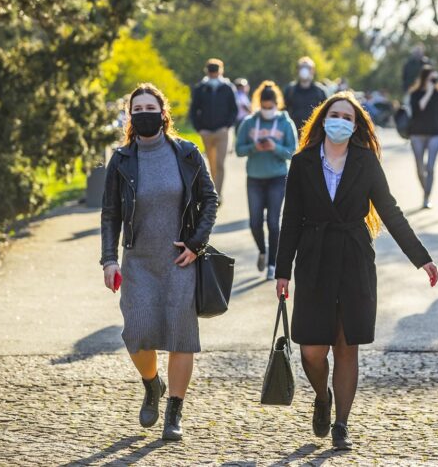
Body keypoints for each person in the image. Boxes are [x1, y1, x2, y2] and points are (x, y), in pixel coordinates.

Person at [274, 91, 438, 451]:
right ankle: (322, 395)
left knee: (347, 347)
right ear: (323, 119)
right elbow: (290, 220)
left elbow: (390, 211)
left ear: (356, 125)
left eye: (348, 117)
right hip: (314, 259)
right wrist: (282, 271)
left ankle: (341, 425)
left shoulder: (365, 161)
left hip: (354, 259)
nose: (341, 122)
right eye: (335, 115)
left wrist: (420, 257)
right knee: (312, 352)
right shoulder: (302, 163)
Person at [100, 83, 218, 441]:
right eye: (137, 109)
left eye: (150, 107)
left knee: (181, 338)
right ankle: (152, 385)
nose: (144, 113)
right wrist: (109, 260)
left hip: (179, 261)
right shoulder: (121, 160)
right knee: (136, 335)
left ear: (163, 113)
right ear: (130, 116)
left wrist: (196, 244)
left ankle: (174, 412)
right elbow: (110, 214)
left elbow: (210, 200)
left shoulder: (186, 153)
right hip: (138, 261)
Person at [235, 81, 297, 280]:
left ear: (277, 104)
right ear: (258, 103)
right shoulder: (249, 122)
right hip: (254, 178)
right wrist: (254, 147)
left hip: (277, 177)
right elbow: (239, 150)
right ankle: (263, 250)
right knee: (254, 222)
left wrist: (275, 147)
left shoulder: (285, 123)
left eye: (271, 107)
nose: (267, 110)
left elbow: (293, 152)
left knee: (273, 222)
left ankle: (272, 264)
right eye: (264, 107)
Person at [189, 58, 238, 203]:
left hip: (222, 131)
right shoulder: (201, 88)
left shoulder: (227, 88)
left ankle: (218, 194)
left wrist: (227, 126)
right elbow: (193, 111)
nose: (213, 75)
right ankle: (211, 192)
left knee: (220, 163)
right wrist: (200, 129)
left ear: (220, 72)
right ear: (207, 72)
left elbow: (233, 110)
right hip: (206, 132)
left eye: (215, 72)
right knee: (211, 163)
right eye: (211, 72)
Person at [408, 65, 438, 209]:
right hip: (417, 134)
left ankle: (426, 197)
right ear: (424, 78)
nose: (433, 82)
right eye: (431, 79)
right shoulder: (415, 94)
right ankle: (425, 189)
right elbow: (419, 108)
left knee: (431, 167)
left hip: (435, 133)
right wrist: (428, 92)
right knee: (420, 168)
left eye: (435, 79)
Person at [283, 56, 328, 135]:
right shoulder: (290, 90)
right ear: (298, 70)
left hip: (314, 135)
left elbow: (326, 113)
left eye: (308, 67)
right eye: (302, 67)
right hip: (293, 133)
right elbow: (283, 111)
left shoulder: (320, 91)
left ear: (313, 70)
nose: (305, 70)